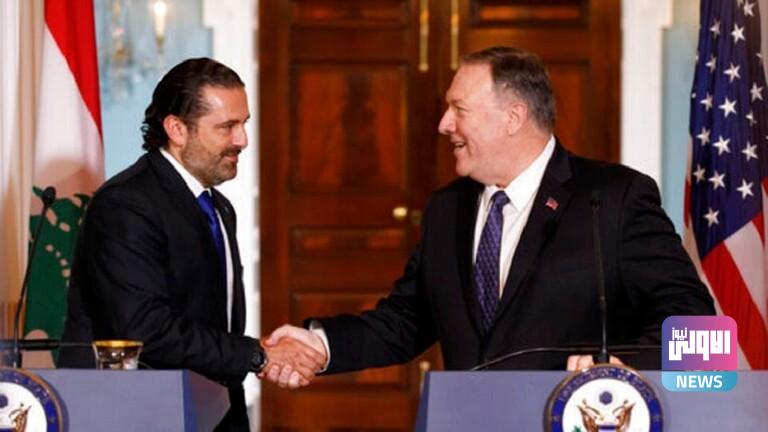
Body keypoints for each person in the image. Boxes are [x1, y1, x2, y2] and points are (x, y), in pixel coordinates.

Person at [263, 46, 715, 388]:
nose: (444, 124)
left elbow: (698, 329)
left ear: (513, 117)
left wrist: (624, 371)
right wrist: (320, 344)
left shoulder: (614, 199)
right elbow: (406, 320)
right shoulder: (446, 209)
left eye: (458, 109)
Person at [58, 58, 324, 431]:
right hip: (142, 416)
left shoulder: (219, 207)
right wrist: (257, 355)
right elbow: (143, 329)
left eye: (243, 124)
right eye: (227, 127)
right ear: (177, 129)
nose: (242, 140)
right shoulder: (126, 204)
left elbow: (215, 320)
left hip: (215, 411)